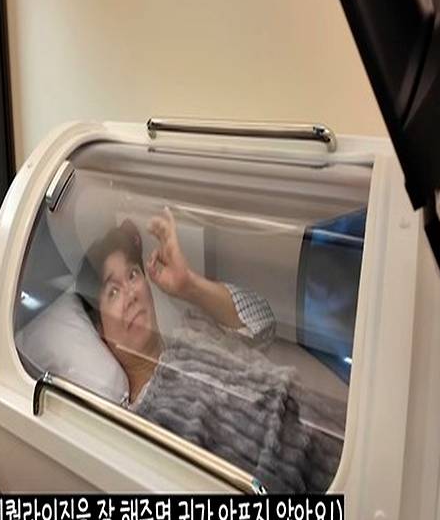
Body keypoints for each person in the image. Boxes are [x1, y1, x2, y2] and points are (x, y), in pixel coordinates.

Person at [76, 208, 340, 493]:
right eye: (113, 292)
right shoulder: (143, 427)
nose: (130, 295)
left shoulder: (192, 329)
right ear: (100, 330)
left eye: (132, 275)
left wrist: (189, 285)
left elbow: (264, 323)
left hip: (335, 434)